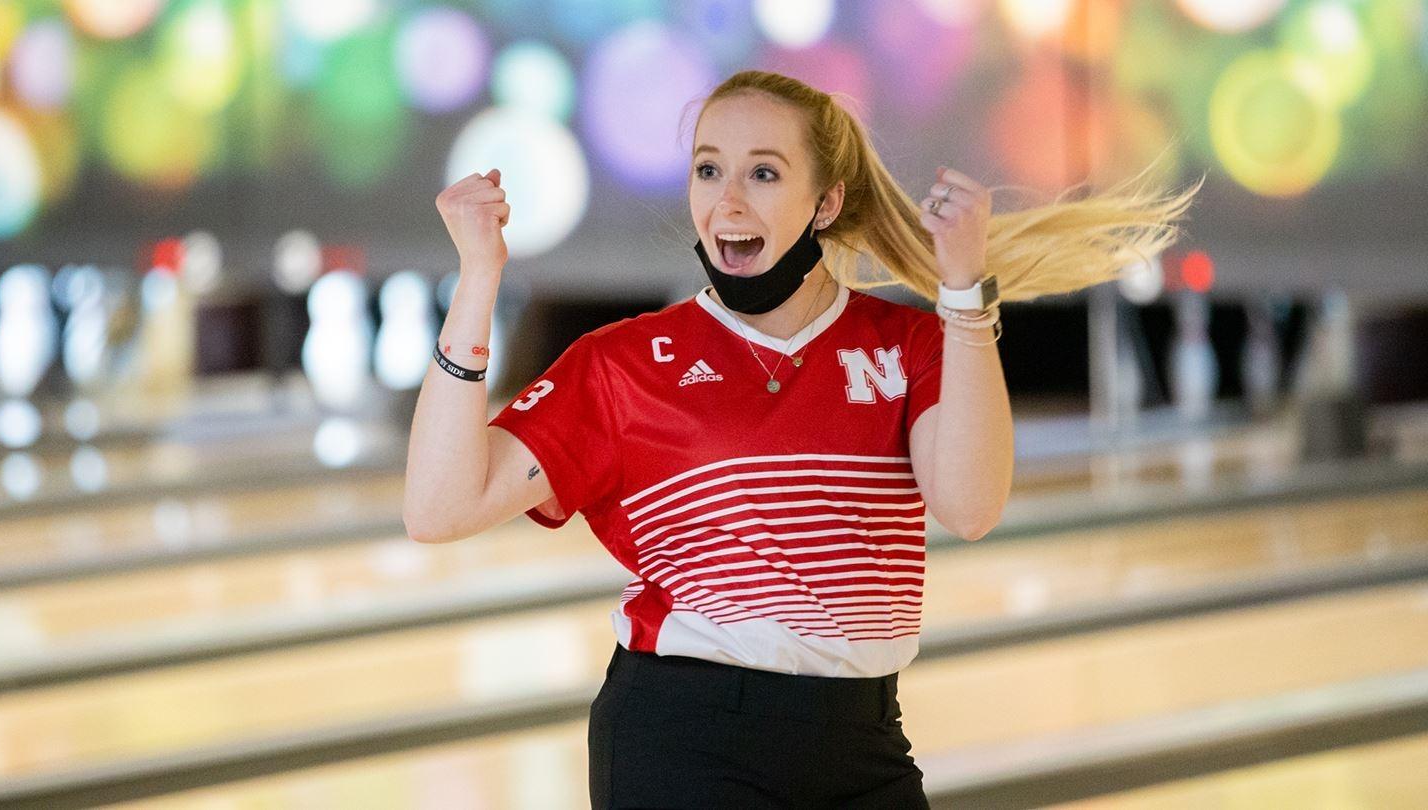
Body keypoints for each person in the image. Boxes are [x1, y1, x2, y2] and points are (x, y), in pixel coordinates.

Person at [404, 69, 1200, 808]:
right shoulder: (624, 364)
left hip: (863, 744)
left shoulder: (909, 345)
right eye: (708, 170)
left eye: (764, 172)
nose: (728, 201)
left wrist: (964, 292)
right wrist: (478, 275)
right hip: (683, 737)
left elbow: (970, 505)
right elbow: (439, 509)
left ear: (826, 203)